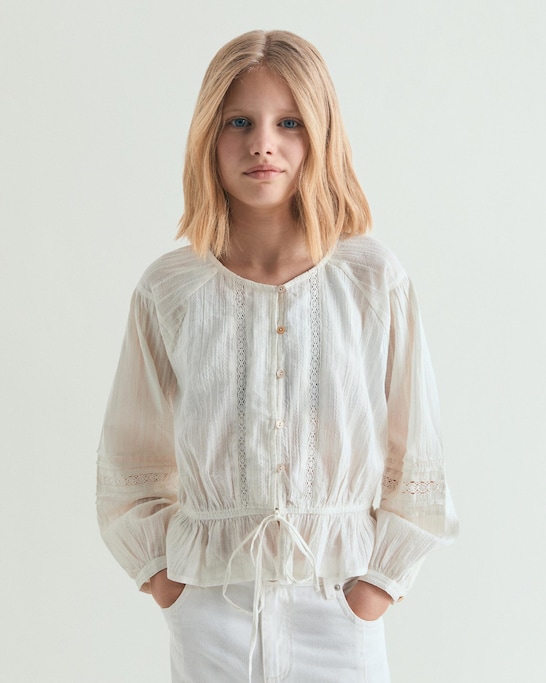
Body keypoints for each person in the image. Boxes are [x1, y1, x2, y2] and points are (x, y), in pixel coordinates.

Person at [96, 29, 458, 683]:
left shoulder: (372, 280)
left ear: (320, 133)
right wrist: (169, 585)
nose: (263, 143)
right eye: (240, 121)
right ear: (209, 135)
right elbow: (130, 464)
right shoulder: (170, 290)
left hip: (339, 604)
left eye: (288, 122)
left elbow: (418, 458)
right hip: (210, 611)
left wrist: (371, 592)